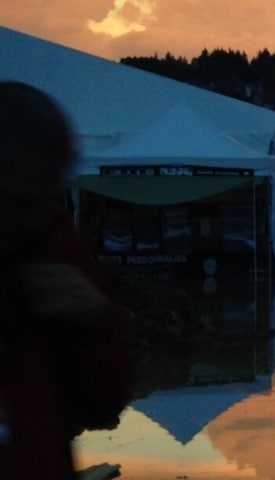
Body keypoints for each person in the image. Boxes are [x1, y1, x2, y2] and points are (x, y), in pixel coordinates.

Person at [0, 82, 133, 479]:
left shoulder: (53, 244)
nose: (33, 216)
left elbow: (103, 401)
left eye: (46, 195)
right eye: (18, 199)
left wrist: (96, 321)